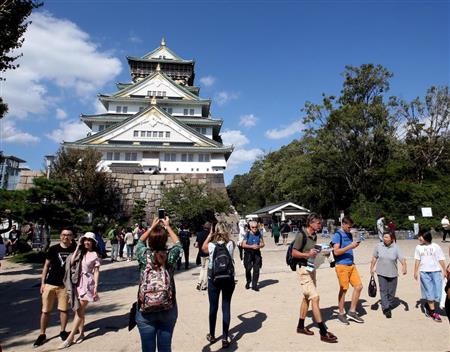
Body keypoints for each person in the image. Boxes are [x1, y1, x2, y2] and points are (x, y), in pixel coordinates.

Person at [135, 216, 182, 352]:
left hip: (145, 308)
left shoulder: (143, 255)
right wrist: (167, 226)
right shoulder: (171, 255)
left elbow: (139, 241)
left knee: (147, 349)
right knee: (165, 348)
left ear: (150, 241)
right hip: (168, 306)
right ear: (165, 240)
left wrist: (151, 227)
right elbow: (178, 244)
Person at [291, 213, 337, 343]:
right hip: (303, 270)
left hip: (311, 268)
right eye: (317, 223)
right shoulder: (301, 235)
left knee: (307, 298)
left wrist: (324, 252)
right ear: (311, 223)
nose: (319, 225)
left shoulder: (314, 235)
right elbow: (294, 253)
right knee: (315, 298)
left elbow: (313, 252)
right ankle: (323, 332)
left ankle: (300, 326)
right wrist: (307, 254)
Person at [33, 228, 76, 348]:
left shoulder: (74, 249)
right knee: (45, 311)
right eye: (63, 235)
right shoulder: (53, 249)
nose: (66, 237)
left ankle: (63, 331)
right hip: (50, 284)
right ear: (60, 236)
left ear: (72, 236)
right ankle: (42, 334)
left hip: (64, 285)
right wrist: (42, 283)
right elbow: (46, 265)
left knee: (63, 310)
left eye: (68, 235)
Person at [60, 232, 101, 348]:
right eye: (85, 240)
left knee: (79, 309)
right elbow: (71, 262)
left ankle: (70, 337)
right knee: (79, 311)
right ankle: (81, 333)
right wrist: (78, 246)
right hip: (77, 282)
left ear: (93, 242)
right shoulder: (80, 252)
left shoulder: (95, 254)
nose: (87, 242)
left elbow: (97, 271)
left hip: (88, 284)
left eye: (89, 240)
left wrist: (96, 286)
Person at [202, 222, 235, 349]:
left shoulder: (211, 245)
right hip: (228, 278)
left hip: (213, 279)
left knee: (213, 307)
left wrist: (210, 235)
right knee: (226, 306)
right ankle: (225, 337)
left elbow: (202, 249)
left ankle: (212, 334)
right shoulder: (231, 244)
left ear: (215, 231)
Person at [332, 216, 364, 324]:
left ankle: (352, 311)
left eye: (351, 227)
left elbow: (350, 246)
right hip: (341, 266)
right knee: (344, 289)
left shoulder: (349, 234)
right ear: (343, 224)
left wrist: (354, 245)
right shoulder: (337, 235)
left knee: (359, 286)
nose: (350, 229)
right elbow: (336, 252)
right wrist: (350, 246)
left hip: (351, 264)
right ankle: (341, 313)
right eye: (349, 226)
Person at [370, 232, 407, 318]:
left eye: (387, 237)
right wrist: (371, 268)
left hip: (392, 273)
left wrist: (404, 266)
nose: (385, 239)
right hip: (381, 272)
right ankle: (386, 308)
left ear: (392, 238)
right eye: (384, 237)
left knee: (391, 292)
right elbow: (374, 257)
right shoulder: (379, 246)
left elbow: (402, 258)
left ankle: (389, 303)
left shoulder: (396, 247)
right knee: (383, 290)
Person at [413, 231, 446, 322]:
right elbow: (417, 260)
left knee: (438, 294)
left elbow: (441, 258)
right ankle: (433, 312)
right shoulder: (418, 247)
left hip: (436, 271)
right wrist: (415, 271)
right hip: (424, 272)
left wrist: (444, 270)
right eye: (419, 236)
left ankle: (428, 305)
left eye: (421, 236)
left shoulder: (436, 246)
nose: (419, 238)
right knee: (429, 292)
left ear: (426, 237)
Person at [242, 220, 265, 291]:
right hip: (248, 253)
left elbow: (263, 243)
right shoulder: (247, 234)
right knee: (248, 268)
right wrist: (251, 246)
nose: (255, 228)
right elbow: (243, 244)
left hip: (257, 253)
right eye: (253, 227)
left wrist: (259, 246)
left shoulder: (259, 234)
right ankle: (248, 281)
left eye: (256, 227)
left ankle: (254, 285)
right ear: (250, 227)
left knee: (256, 269)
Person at [195, 222, 211, 291]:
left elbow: (196, 245)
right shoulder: (210, 235)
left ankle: (199, 282)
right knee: (206, 270)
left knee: (202, 268)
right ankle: (204, 285)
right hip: (208, 253)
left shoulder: (199, 234)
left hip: (201, 253)